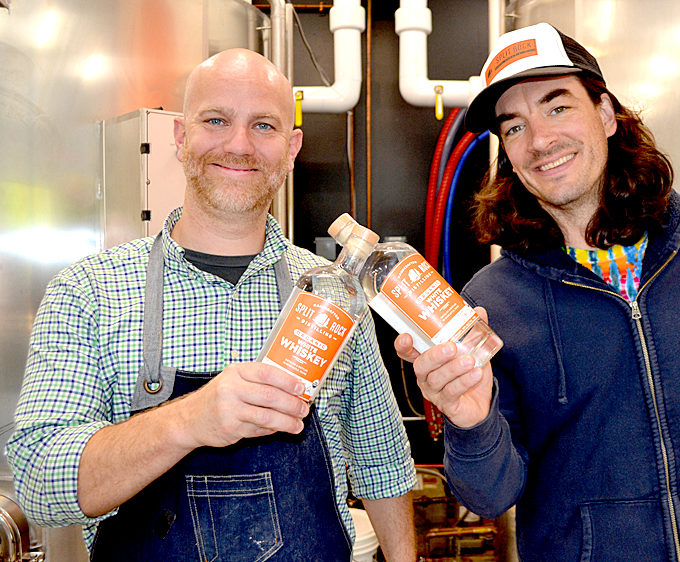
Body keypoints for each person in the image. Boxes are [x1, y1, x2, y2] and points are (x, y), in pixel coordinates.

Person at [395, 22, 680, 561]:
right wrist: (472, 421)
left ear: (606, 114)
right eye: (513, 127)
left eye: (557, 107)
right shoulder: (493, 301)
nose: (539, 140)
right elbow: (489, 495)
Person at [7, 48, 417, 561]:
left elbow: (383, 464)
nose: (239, 144)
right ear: (181, 137)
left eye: (264, 126)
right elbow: (38, 481)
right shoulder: (90, 291)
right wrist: (188, 420)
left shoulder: (334, 291)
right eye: (216, 120)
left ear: (291, 149)